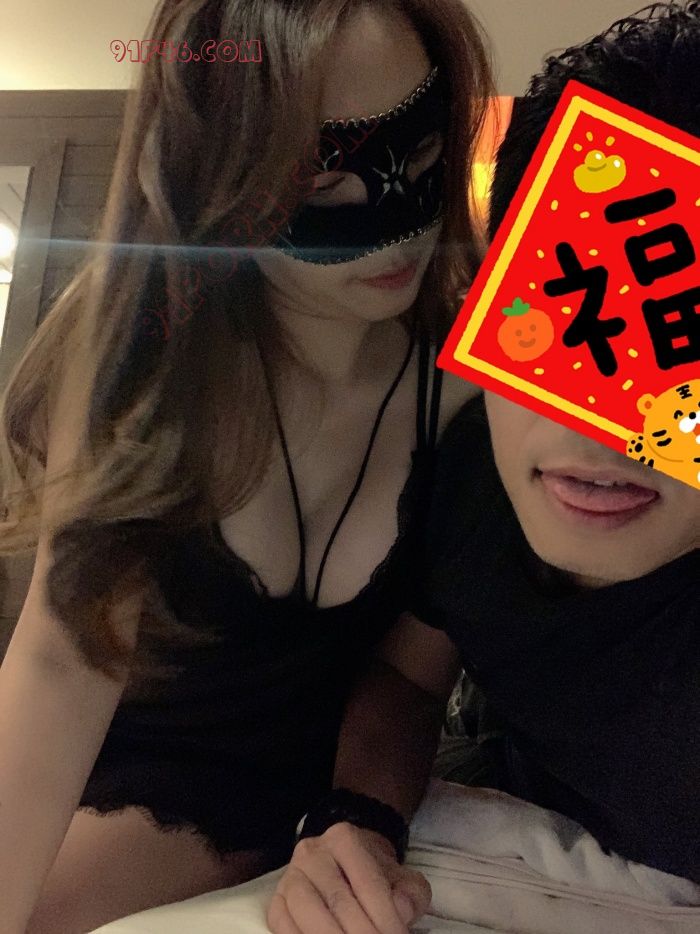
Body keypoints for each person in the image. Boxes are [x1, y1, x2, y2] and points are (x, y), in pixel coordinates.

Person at [0, 1, 494, 931]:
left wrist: (360, 815)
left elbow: (414, 673)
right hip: (127, 777)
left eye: (423, 154)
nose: (396, 230)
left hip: (334, 805)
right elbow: (62, 662)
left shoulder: (468, 390)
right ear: (217, 177)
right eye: (327, 182)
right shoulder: (146, 365)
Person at [269, 3, 700, 931]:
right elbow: (409, 672)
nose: (598, 434)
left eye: (675, 347)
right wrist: (359, 817)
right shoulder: (473, 468)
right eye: (568, 307)